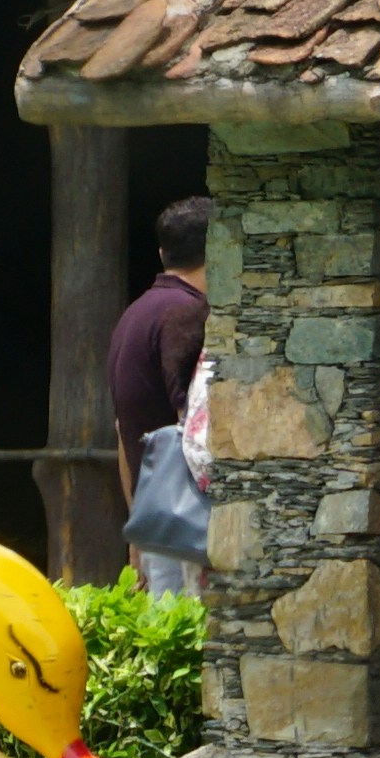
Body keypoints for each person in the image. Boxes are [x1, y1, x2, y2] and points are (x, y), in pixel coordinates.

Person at [106, 196, 211, 597]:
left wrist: (138, 525)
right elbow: (195, 427)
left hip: (157, 519)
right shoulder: (187, 315)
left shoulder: (136, 314)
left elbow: (124, 429)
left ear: (163, 253)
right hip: (190, 527)